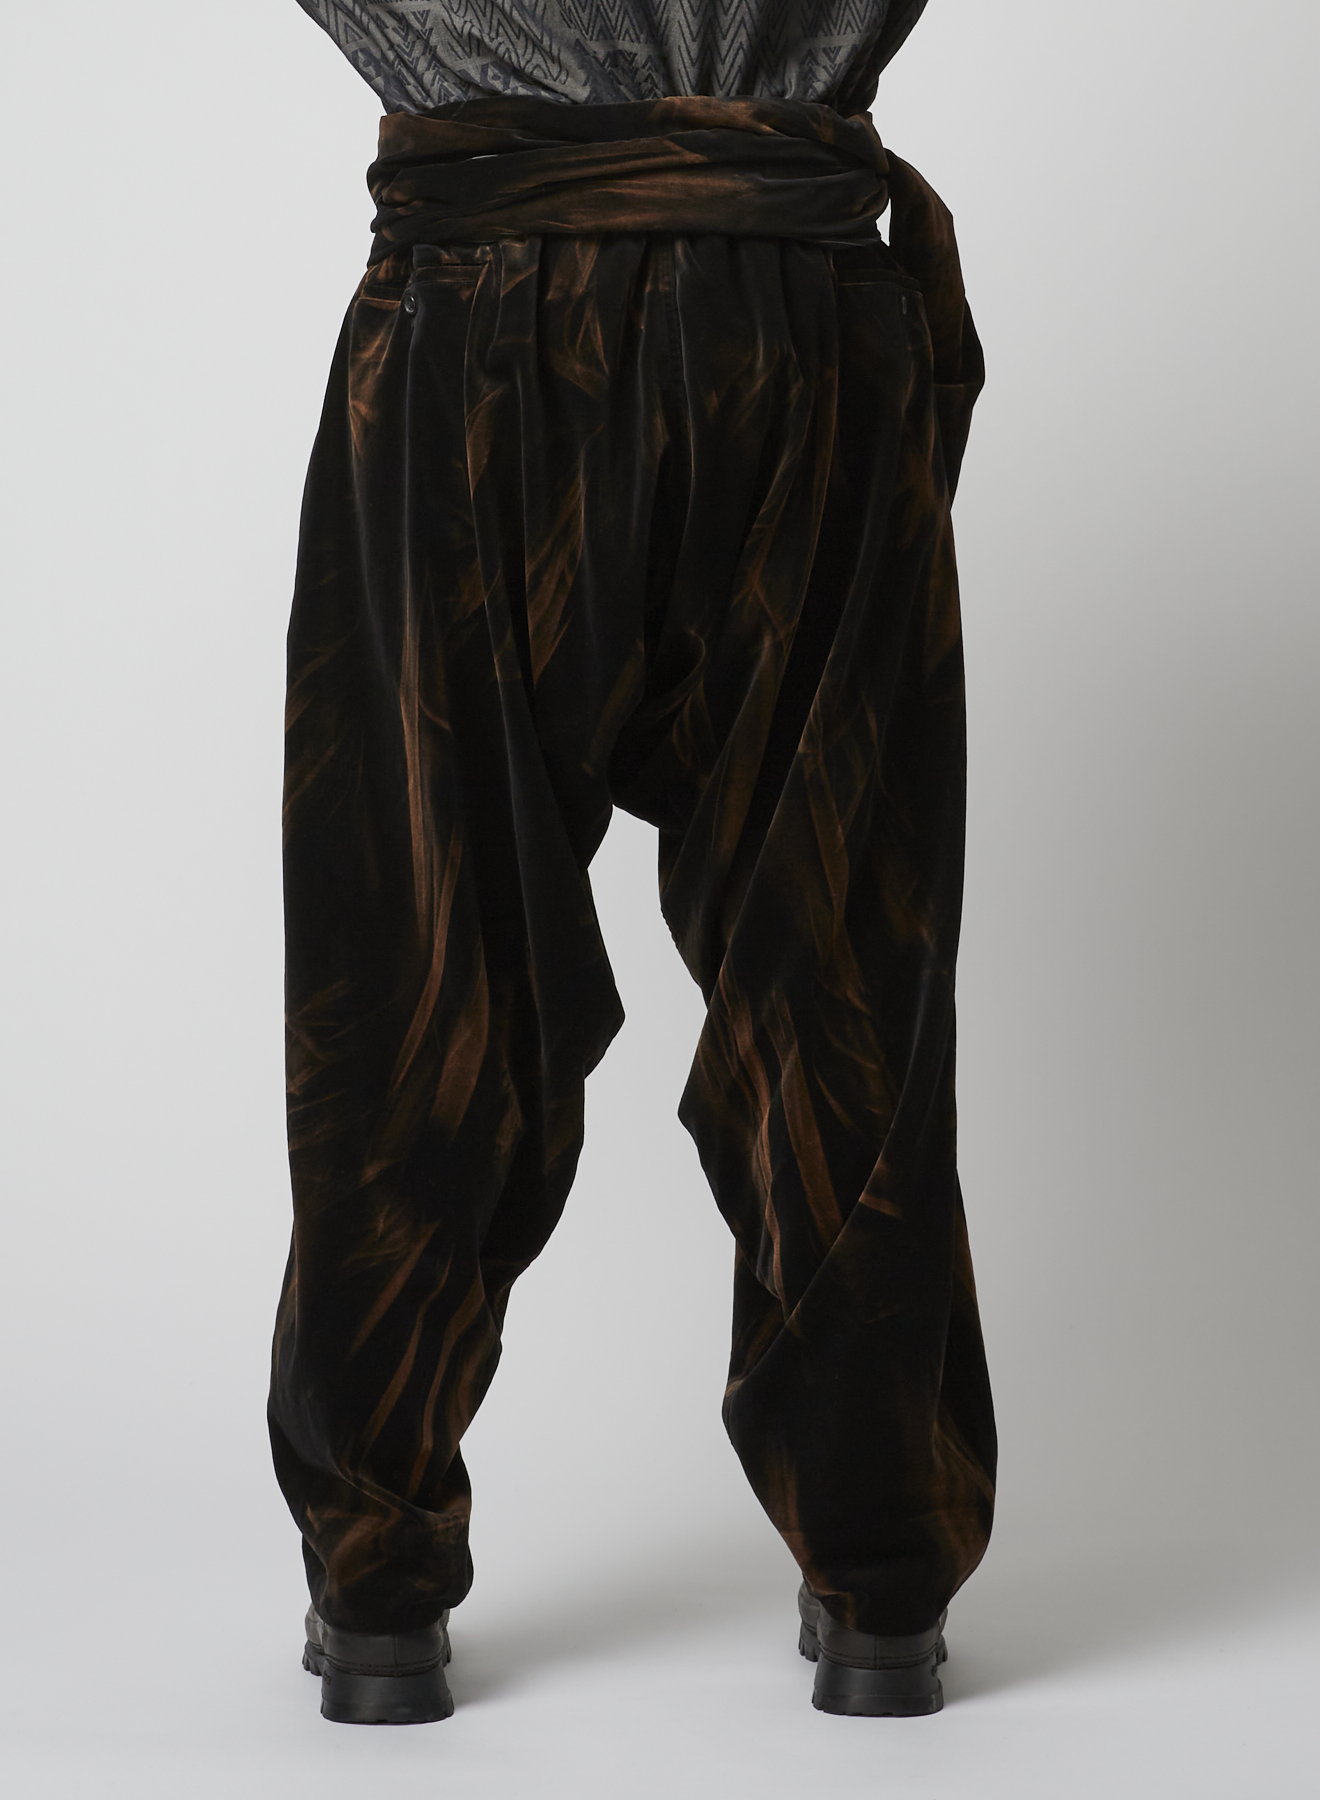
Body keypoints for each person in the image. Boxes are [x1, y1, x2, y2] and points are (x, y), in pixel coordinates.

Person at [271, 0, 997, 1725]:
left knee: (426, 960)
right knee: (838, 967)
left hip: (479, 316)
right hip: (799, 318)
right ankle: (882, 1587)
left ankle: (377, 1594)